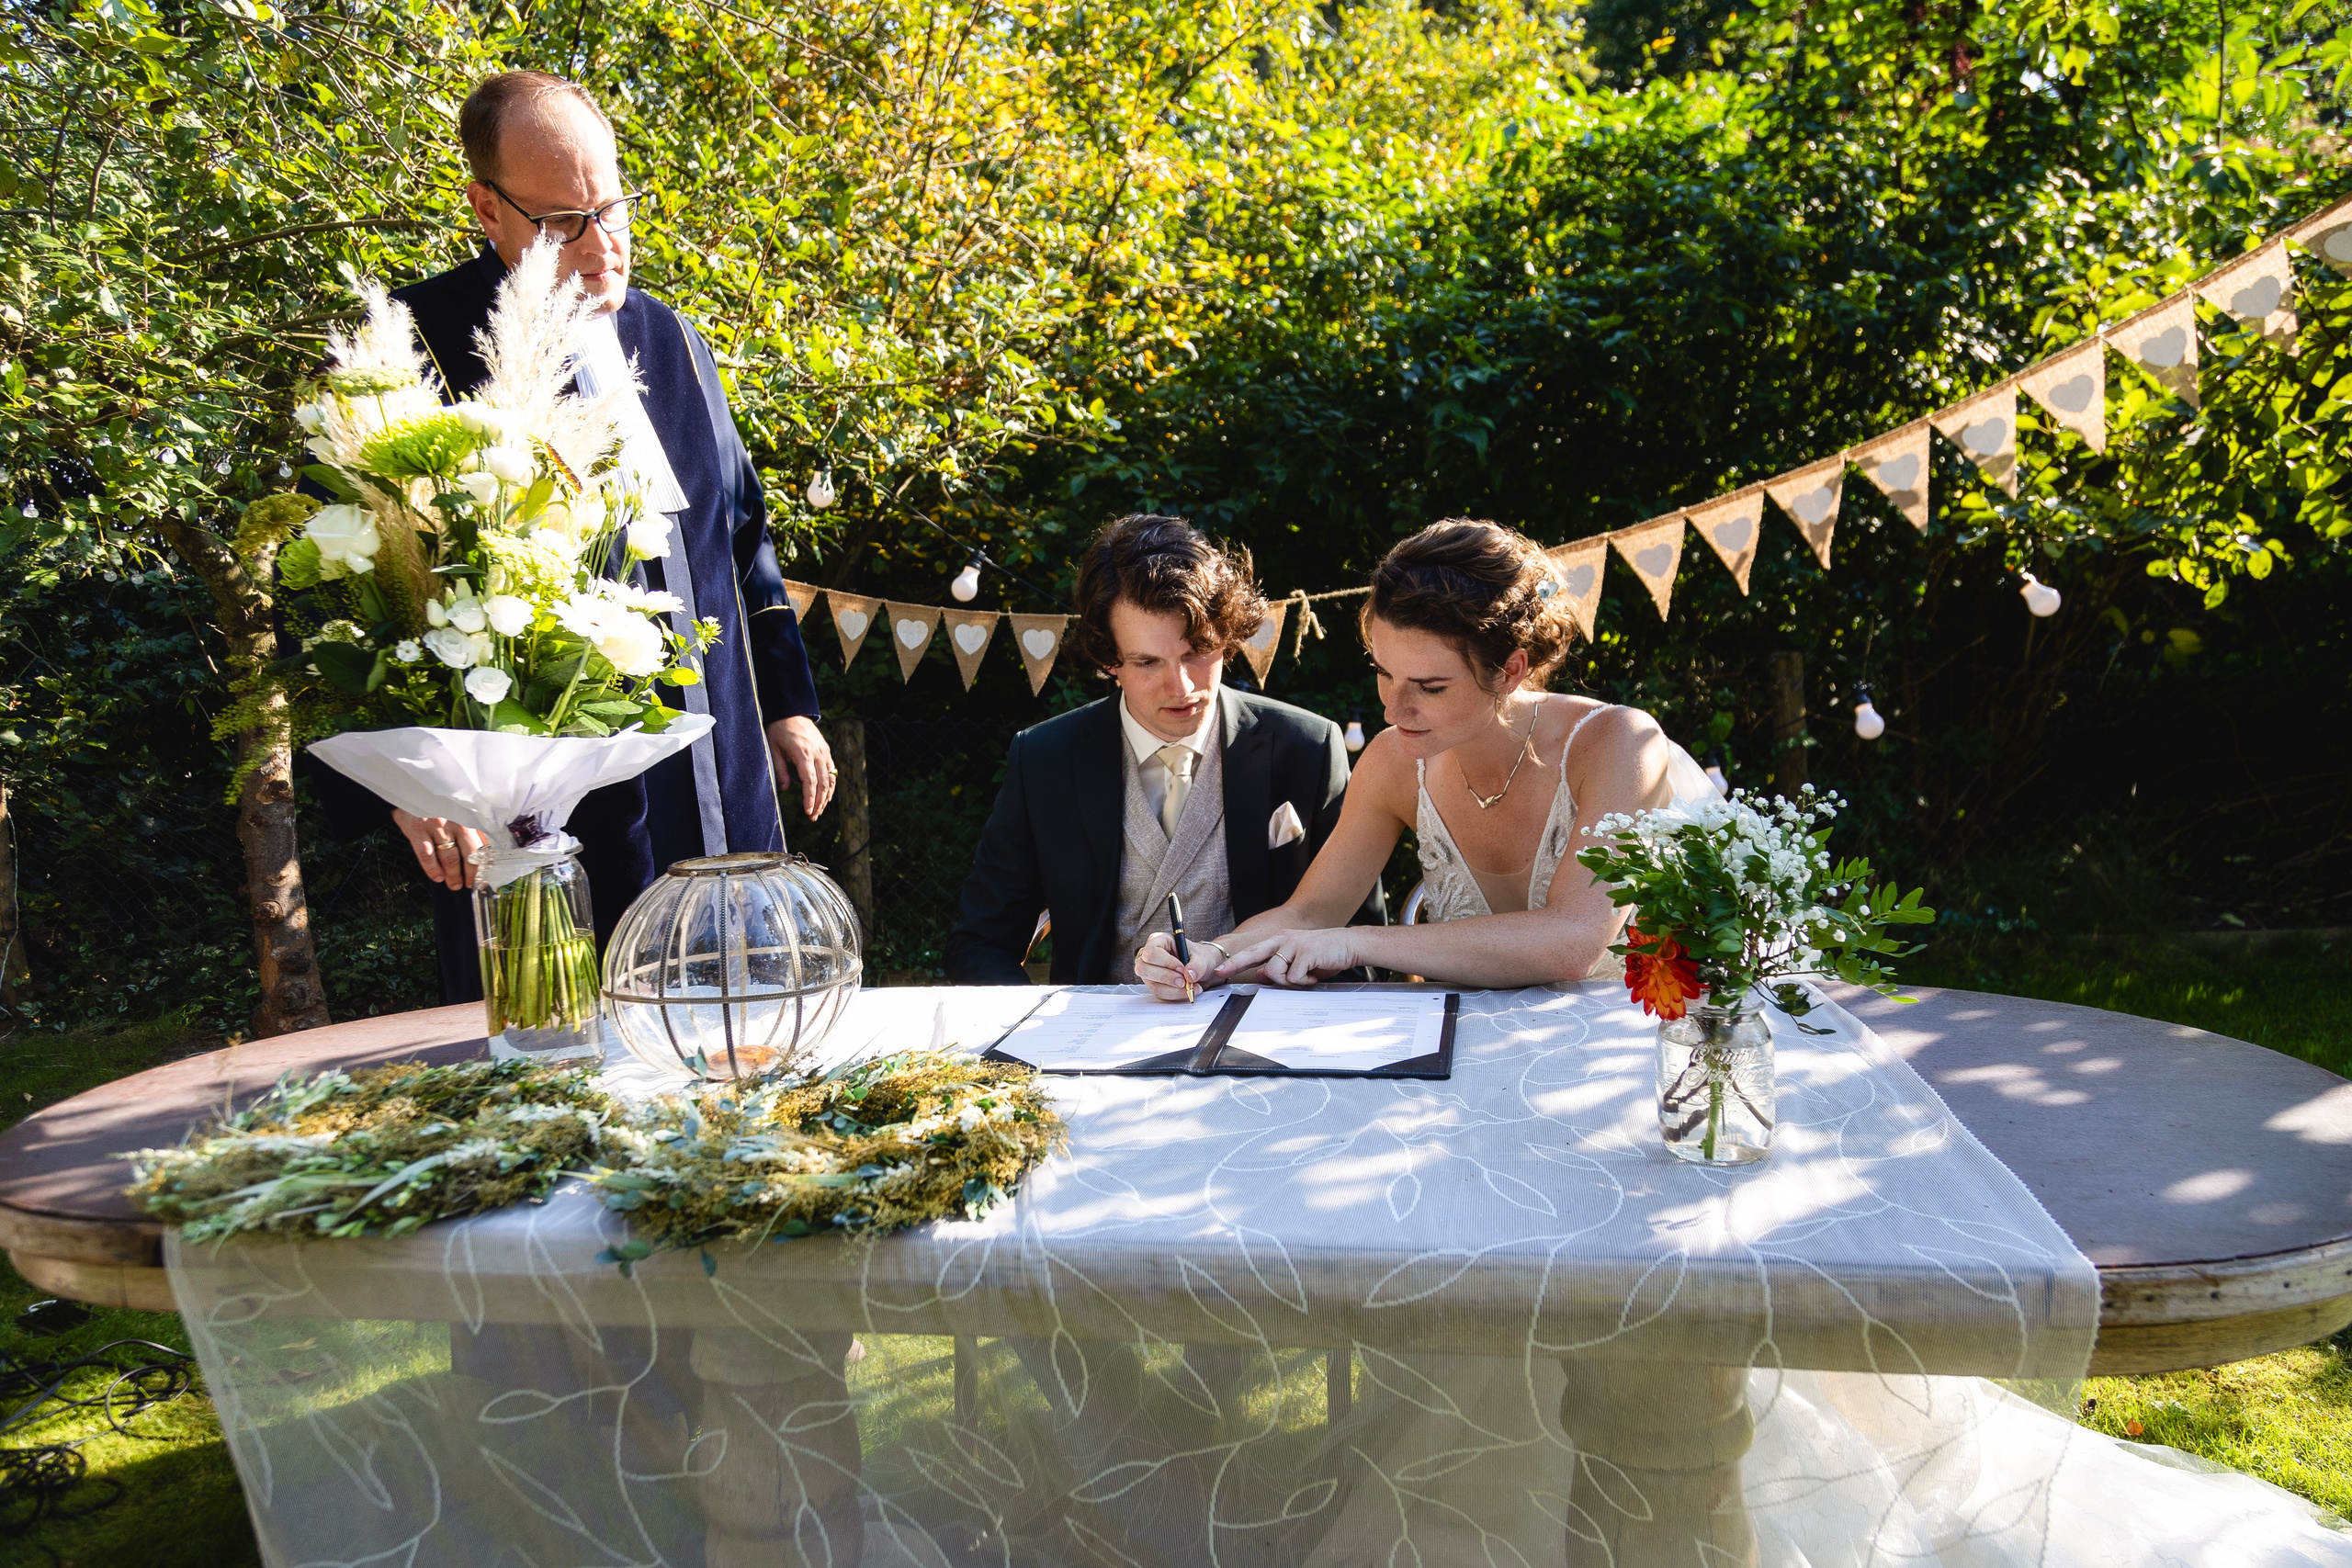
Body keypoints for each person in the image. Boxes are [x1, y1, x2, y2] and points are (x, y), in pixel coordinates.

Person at [312, 71, 835, 1002]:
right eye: (564, 223)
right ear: (487, 208)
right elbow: (357, 589)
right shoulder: (415, 342)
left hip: (723, 753)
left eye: (614, 208)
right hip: (547, 790)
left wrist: (788, 702)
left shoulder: (673, 338)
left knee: (744, 1015)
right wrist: (406, 785)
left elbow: (742, 534)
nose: (603, 250)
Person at [1136, 517, 1713, 999]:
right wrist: (1207, 956)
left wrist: (1359, 942)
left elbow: (1576, 942)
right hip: (1478, 1039)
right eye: (1385, 674)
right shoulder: (1393, 762)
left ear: (1510, 670)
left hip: (1662, 1030)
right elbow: (1311, 913)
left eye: (1430, 687)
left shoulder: (1619, 743)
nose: (1395, 708)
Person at [946, 513, 1382, 985]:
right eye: (1147, 662)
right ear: (1107, 658)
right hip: (1091, 1045)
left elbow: (1360, 944)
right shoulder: (1045, 759)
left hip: (1266, 1035)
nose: (1182, 686)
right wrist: (1036, 1038)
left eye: (1198, 651)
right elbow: (980, 943)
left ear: (1228, 638)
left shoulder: (1307, 746)